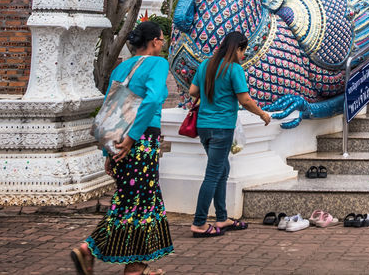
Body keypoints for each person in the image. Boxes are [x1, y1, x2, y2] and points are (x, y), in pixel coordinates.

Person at [71, 20, 173, 275]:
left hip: (119, 142)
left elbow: (109, 111)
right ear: (154, 42)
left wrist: (110, 151)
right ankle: (94, 250)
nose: (162, 44)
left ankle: (135, 267)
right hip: (141, 140)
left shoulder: (122, 67)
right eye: (161, 40)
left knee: (132, 202)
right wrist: (132, 138)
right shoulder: (157, 63)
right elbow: (152, 99)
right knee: (142, 203)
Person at [187, 31, 272, 236]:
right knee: (214, 174)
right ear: (237, 49)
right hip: (222, 127)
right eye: (243, 50)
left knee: (222, 169)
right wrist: (262, 114)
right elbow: (244, 100)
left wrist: (212, 93)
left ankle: (222, 218)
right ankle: (199, 223)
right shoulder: (234, 69)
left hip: (204, 126)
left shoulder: (206, 65)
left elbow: (192, 91)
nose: (244, 55)